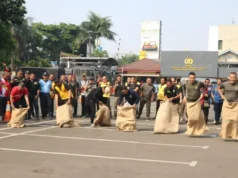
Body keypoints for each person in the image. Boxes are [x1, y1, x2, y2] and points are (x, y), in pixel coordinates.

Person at [218, 72, 238, 140]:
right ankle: (225, 134)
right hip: (226, 104)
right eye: (231, 77)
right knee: (226, 120)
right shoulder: (225, 84)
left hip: (235, 105)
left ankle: (234, 135)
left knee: (235, 120)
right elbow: (218, 88)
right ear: (229, 77)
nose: (232, 79)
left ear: (236, 78)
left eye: (234, 77)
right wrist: (222, 95)